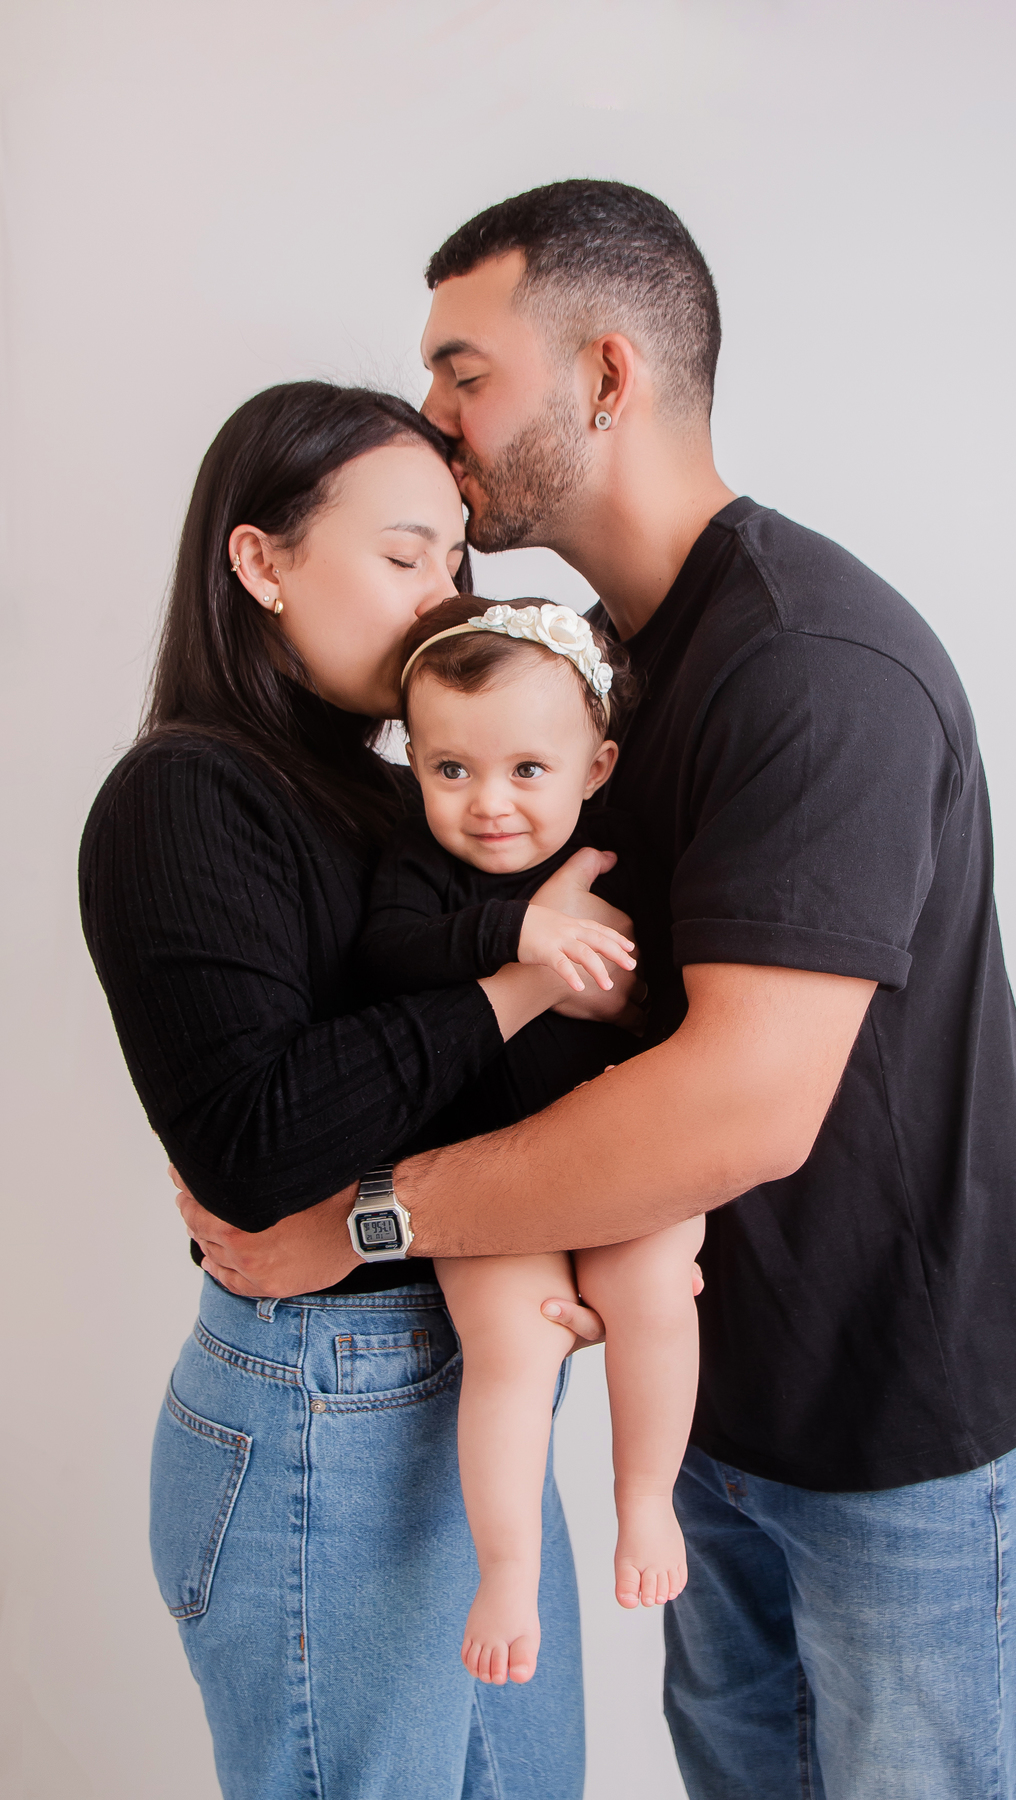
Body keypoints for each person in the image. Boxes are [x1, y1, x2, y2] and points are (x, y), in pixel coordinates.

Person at [175, 182, 1016, 1800]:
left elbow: (740, 1106)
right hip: (718, 1413)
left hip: (902, 1436)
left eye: (465, 372)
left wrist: (365, 1222)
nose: (431, 414)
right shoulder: (588, 667)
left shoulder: (813, 668)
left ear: (607, 376)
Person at [78, 381, 641, 1800]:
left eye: (456, 560)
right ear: (261, 562)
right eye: (403, 556)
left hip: (459, 1381)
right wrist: (520, 981)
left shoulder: (414, 802)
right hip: (320, 1409)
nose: (443, 596)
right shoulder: (183, 798)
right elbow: (259, 1144)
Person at [358, 592, 704, 1686]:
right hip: (480, 1174)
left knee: (656, 1285)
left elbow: (677, 1005)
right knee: (509, 1350)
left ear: (594, 769)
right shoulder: (419, 874)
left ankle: (645, 1499)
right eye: (451, 769)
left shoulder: (620, 861)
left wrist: (624, 998)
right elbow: (387, 957)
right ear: (415, 761)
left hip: (614, 1152)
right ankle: (508, 1569)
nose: (489, 803)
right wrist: (519, 930)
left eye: (527, 771)